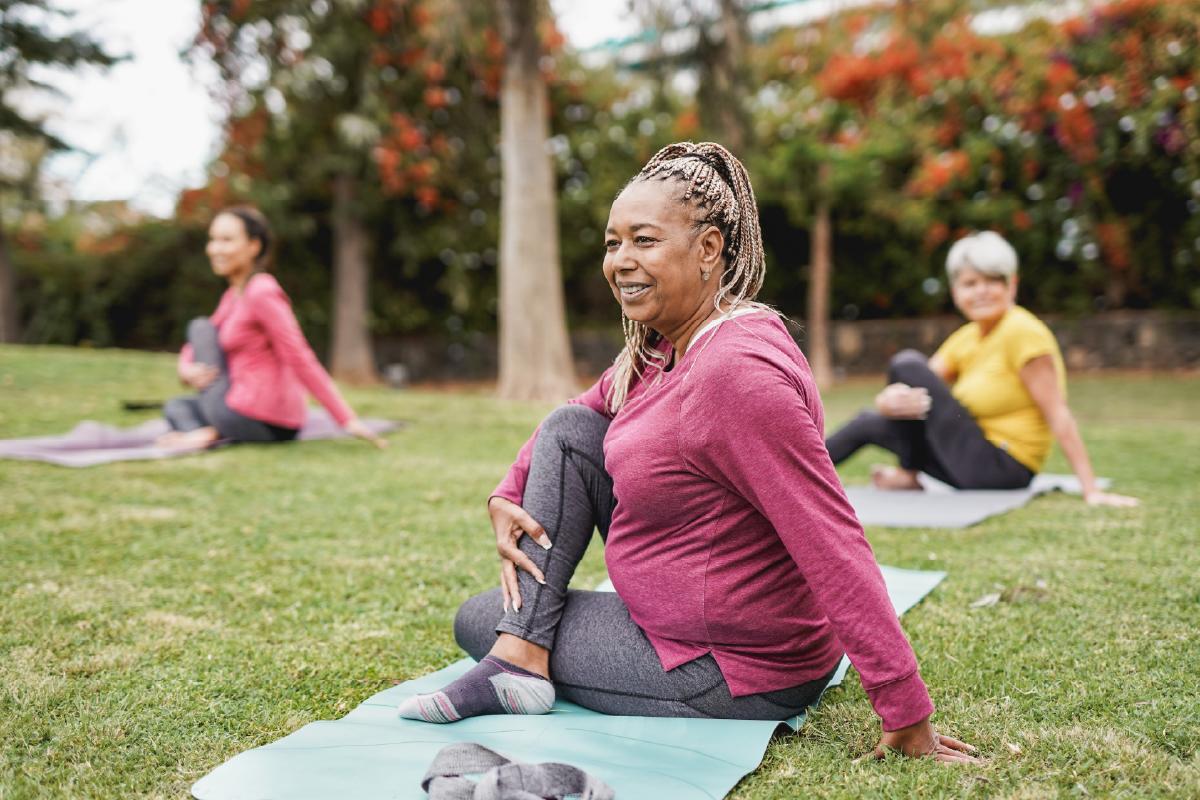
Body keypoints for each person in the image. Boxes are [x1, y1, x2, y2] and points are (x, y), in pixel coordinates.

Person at [399, 143, 979, 764]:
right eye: (611, 243)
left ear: (708, 249)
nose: (621, 261)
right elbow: (579, 414)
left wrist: (906, 710)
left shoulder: (735, 373)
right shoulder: (662, 347)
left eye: (644, 240)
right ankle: (520, 655)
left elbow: (830, 538)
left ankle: (518, 657)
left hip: (732, 666)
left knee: (477, 617)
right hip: (683, 626)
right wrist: (506, 491)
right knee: (569, 432)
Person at [826, 231, 1137, 507]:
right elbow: (917, 385)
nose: (981, 292)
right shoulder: (967, 337)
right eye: (970, 283)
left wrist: (1091, 490)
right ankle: (789, 483)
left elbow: (1058, 412)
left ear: (1012, 284)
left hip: (1003, 466)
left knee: (905, 361)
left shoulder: (1022, 332)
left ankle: (907, 473)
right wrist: (887, 401)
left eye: (992, 281)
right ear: (956, 291)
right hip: (966, 458)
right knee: (869, 421)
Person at [160, 206, 384, 449]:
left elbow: (299, 356)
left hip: (259, 416)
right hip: (243, 412)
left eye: (226, 240)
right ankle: (208, 432)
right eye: (213, 240)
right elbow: (193, 347)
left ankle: (207, 432)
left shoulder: (261, 290)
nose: (215, 249)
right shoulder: (233, 296)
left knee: (199, 326)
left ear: (254, 246)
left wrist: (346, 418)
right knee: (176, 406)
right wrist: (185, 369)